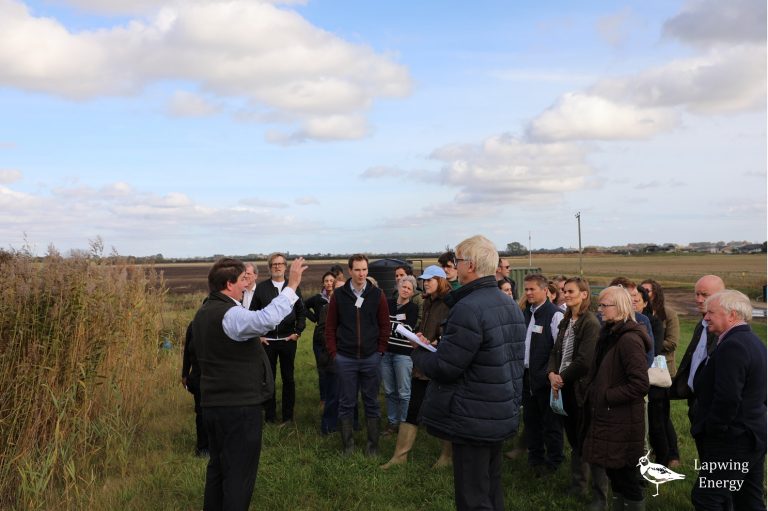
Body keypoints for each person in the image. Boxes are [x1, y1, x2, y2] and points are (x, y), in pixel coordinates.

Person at [410, 235, 526, 511]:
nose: (454, 266)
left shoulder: (468, 307)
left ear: (471, 265)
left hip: (472, 413)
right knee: (491, 487)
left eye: (457, 261)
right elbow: (485, 354)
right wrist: (446, 346)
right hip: (498, 410)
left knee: (472, 496)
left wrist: (420, 351)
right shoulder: (508, 303)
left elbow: (446, 368)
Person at [189, 256, 306, 511]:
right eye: (243, 281)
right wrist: (292, 285)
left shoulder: (204, 312)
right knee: (238, 475)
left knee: (218, 469)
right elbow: (266, 319)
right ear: (229, 284)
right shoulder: (230, 314)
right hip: (238, 409)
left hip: (214, 406)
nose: (247, 286)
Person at [691, 290, 766, 511]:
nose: (705, 317)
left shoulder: (733, 346)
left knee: (707, 497)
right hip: (752, 435)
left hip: (733, 439)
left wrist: (714, 429)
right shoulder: (753, 341)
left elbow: (727, 398)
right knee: (748, 500)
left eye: (711, 313)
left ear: (732, 315)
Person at [582, 285, 651, 511]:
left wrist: (605, 396)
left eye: (604, 305)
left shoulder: (629, 340)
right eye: (599, 304)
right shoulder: (610, 333)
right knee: (615, 473)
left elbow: (640, 384)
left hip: (622, 421)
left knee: (626, 476)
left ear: (619, 307)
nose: (599, 309)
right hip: (609, 418)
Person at [380, 265, 452, 469]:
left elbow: (451, 333)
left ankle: (447, 458)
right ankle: (399, 457)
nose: (425, 283)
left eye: (430, 280)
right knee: (413, 409)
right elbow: (426, 328)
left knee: (444, 411)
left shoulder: (449, 302)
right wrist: (420, 336)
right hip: (423, 365)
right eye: (424, 280)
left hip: (440, 366)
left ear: (440, 280)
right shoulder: (428, 302)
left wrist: (437, 341)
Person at [546, 277, 606, 508]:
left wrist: (561, 378)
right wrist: (552, 372)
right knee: (574, 438)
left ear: (584, 294)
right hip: (563, 386)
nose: (566, 294)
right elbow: (555, 350)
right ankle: (578, 484)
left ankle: (595, 491)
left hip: (580, 388)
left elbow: (584, 361)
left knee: (586, 438)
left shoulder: (590, 323)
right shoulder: (566, 320)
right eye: (564, 291)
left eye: (571, 291)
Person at [325, 254, 390, 456]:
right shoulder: (339, 295)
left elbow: (384, 325)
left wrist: (380, 350)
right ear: (350, 271)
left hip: (371, 357)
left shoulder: (377, 295)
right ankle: (348, 446)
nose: (362, 274)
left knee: (372, 402)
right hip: (346, 358)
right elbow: (330, 327)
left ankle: (373, 447)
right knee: (346, 402)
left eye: (364, 269)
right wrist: (335, 353)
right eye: (358, 270)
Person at [250, 252, 306, 425]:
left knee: (288, 379)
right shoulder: (261, 288)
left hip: (288, 340)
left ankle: (288, 417)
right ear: (269, 267)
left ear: (285, 266)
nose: (277, 266)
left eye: (280, 264)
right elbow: (253, 313)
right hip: (267, 342)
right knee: (269, 379)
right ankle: (270, 416)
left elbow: (301, 313)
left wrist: (297, 332)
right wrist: (259, 335)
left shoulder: (293, 287)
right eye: (274, 264)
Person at [521, 273, 564, 475]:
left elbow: (560, 350)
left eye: (532, 289)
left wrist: (551, 373)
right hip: (527, 376)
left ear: (545, 290)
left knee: (550, 423)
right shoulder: (527, 313)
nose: (528, 293)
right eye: (526, 289)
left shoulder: (554, 315)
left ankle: (554, 461)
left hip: (546, 379)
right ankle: (535, 458)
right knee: (531, 420)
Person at [670, 275, 725, 429]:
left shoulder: (725, 331)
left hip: (714, 407)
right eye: (697, 294)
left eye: (705, 295)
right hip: (696, 402)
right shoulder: (701, 325)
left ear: (721, 296)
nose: (699, 299)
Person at [640, 278, 681, 467]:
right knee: (652, 416)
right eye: (643, 290)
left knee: (662, 416)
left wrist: (652, 343)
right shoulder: (641, 314)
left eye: (649, 290)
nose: (646, 292)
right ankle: (658, 451)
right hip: (646, 370)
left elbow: (672, 342)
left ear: (656, 293)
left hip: (664, 369)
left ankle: (672, 455)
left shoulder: (668, 314)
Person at [381, 275, 419, 435]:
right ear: (398, 287)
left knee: (404, 392)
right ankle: (392, 423)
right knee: (389, 391)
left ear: (412, 293)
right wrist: (396, 327)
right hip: (386, 353)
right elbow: (381, 324)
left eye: (409, 289)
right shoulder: (387, 304)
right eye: (404, 287)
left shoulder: (413, 308)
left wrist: (390, 326)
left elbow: (407, 331)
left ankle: (404, 426)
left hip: (403, 355)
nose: (406, 290)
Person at [304, 272, 337, 411]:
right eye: (326, 281)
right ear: (323, 283)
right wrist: (314, 318)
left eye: (331, 280)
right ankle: (323, 398)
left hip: (336, 337)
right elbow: (302, 305)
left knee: (336, 368)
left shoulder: (339, 297)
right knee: (322, 369)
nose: (329, 283)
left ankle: (335, 395)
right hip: (320, 337)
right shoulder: (318, 299)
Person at [181, 320, 208, 457]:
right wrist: (184, 373)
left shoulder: (224, 322)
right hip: (198, 376)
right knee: (201, 412)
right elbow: (187, 351)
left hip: (216, 375)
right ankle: (202, 448)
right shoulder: (193, 325)